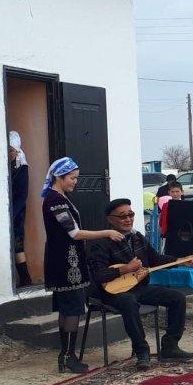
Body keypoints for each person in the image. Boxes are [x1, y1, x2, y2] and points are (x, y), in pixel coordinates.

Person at [89, 198, 193, 370]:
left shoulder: (137, 238)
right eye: (122, 216)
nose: (128, 219)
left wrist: (180, 260)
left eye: (130, 214)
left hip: (138, 288)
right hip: (112, 293)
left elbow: (155, 259)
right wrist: (126, 269)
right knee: (128, 302)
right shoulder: (102, 244)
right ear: (110, 220)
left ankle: (170, 346)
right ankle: (142, 352)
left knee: (177, 297)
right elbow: (98, 275)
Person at [41, 157, 125, 373]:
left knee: (68, 308)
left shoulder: (58, 198)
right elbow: (74, 232)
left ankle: (66, 354)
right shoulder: (55, 201)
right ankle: (68, 355)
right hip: (67, 264)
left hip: (67, 261)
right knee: (72, 308)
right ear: (60, 177)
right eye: (72, 178)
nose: (75, 182)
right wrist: (106, 232)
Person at [9, 131, 32, 287]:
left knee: (17, 244)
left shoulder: (22, 167)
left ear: (17, 150)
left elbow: (22, 195)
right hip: (6, 209)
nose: (9, 153)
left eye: (11, 150)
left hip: (16, 210)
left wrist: (11, 215)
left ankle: (25, 279)